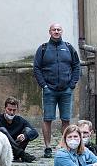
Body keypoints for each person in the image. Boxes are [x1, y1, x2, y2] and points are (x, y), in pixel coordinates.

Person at [33, 23, 80, 158]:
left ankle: (65, 146)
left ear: (62, 31)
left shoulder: (69, 48)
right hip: (49, 90)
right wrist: (44, 85)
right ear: (50, 32)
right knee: (48, 119)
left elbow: (76, 66)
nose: (56, 31)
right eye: (54, 29)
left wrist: (72, 84)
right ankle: (47, 147)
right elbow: (36, 68)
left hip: (66, 90)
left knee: (66, 119)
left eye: (59, 29)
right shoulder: (43, 49)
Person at [0, 97, 38, 163]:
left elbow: (35, 132)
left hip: (16, 150)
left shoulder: (20, 120)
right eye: (9, 109)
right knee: (2, 130)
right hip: (3, 152)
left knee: (27, 130)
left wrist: (24, 136)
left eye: (14, 110)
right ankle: (22, 154)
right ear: (5, 109)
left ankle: (19, 153)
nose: (11, 112)